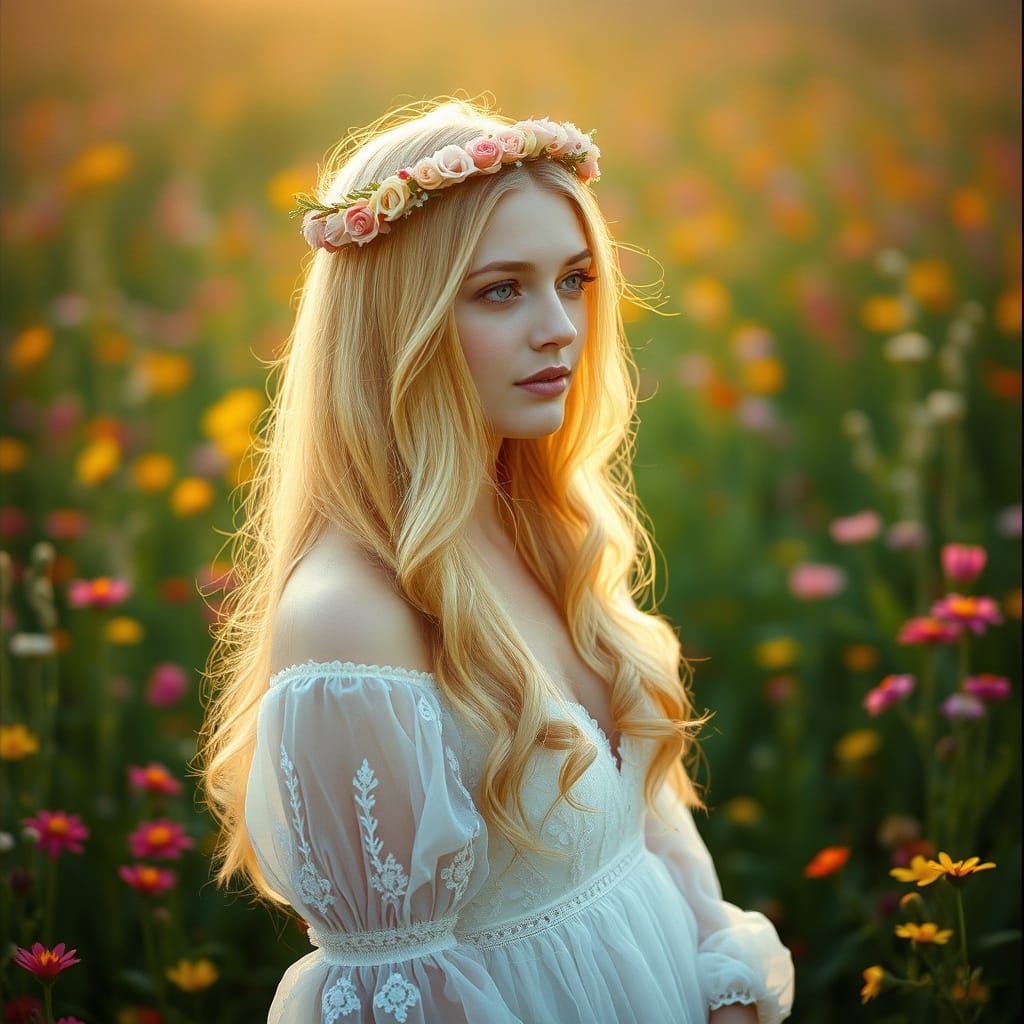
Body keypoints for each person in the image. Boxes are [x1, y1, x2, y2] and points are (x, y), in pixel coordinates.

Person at [197, 95, 795, 1023]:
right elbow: (397, 992)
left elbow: (647, 828)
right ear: (400, 323)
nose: (559, 326)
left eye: (575, 279)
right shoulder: (353, 614)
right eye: (501, 289)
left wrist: (723, 987)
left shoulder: (547, 528)